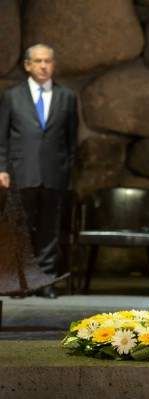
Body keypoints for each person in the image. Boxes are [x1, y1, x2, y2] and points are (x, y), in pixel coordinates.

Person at [0, 44, 78, 299]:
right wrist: (2, 168)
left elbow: (71, 141)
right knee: (21, 230)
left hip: (54, 174)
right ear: (27, 65)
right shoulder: (12, 96)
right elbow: (2, 137)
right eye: (38, 61)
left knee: (49, 231)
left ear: (54, 64)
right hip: (21, 173)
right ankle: (20, 282)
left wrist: (67, 171)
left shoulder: (67, 97)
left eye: (48, 61)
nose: (43, 65)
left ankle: (45, 281)